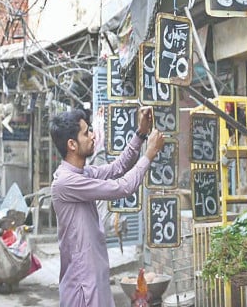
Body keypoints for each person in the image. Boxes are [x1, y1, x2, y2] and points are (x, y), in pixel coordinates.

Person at [49, 106, 164, 307]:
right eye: (86, 133)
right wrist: (149, 154)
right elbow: (123, 187)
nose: (93, 136)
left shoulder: (82, 173)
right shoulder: (66, 182)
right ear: (72, 144)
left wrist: (141, 134)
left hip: (94, 276)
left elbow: (117, 168)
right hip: (82, 285)